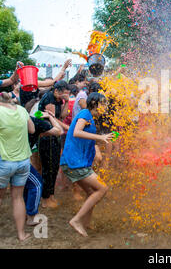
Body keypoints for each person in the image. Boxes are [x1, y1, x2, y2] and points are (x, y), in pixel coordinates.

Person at [60, 92, 113, 237]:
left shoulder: (91, 118)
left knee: (91, 192)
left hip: (76, 162)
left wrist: (99, 142)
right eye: (104, 104)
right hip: (75, 163)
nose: (105, 107)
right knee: (103, 189)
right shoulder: (85, 113)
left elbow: (84, 137)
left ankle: (86, 224)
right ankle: (77, 220)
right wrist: (99, 137)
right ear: (95, 104)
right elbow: (77, 132)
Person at [0, 92, 35, 241]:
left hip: (5, 161)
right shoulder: (21, 110)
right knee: (18, 198)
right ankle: (21, 234)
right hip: (23, 162)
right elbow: (32, 130)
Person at [23, 106, 63, 226]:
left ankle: (26, 212)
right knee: (36, 184)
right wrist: (51, 117)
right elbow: (59, 131)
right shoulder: (36, 123)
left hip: (7, 160)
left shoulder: (10, 121)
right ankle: (31, 215)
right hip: (18, 161)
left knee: (21, 188)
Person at [38, 80, 70, 208]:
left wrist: (66, 101)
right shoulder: (49, 98)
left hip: (54, 136)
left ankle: (51, 195)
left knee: (54, 167)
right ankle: (45, 199)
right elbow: (53, 119)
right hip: (47, 136)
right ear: (56, 90)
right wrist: (69, 127)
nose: (64, 96)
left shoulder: (57, 99)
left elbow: (62, 116)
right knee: (48, 168)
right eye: (63, 94)